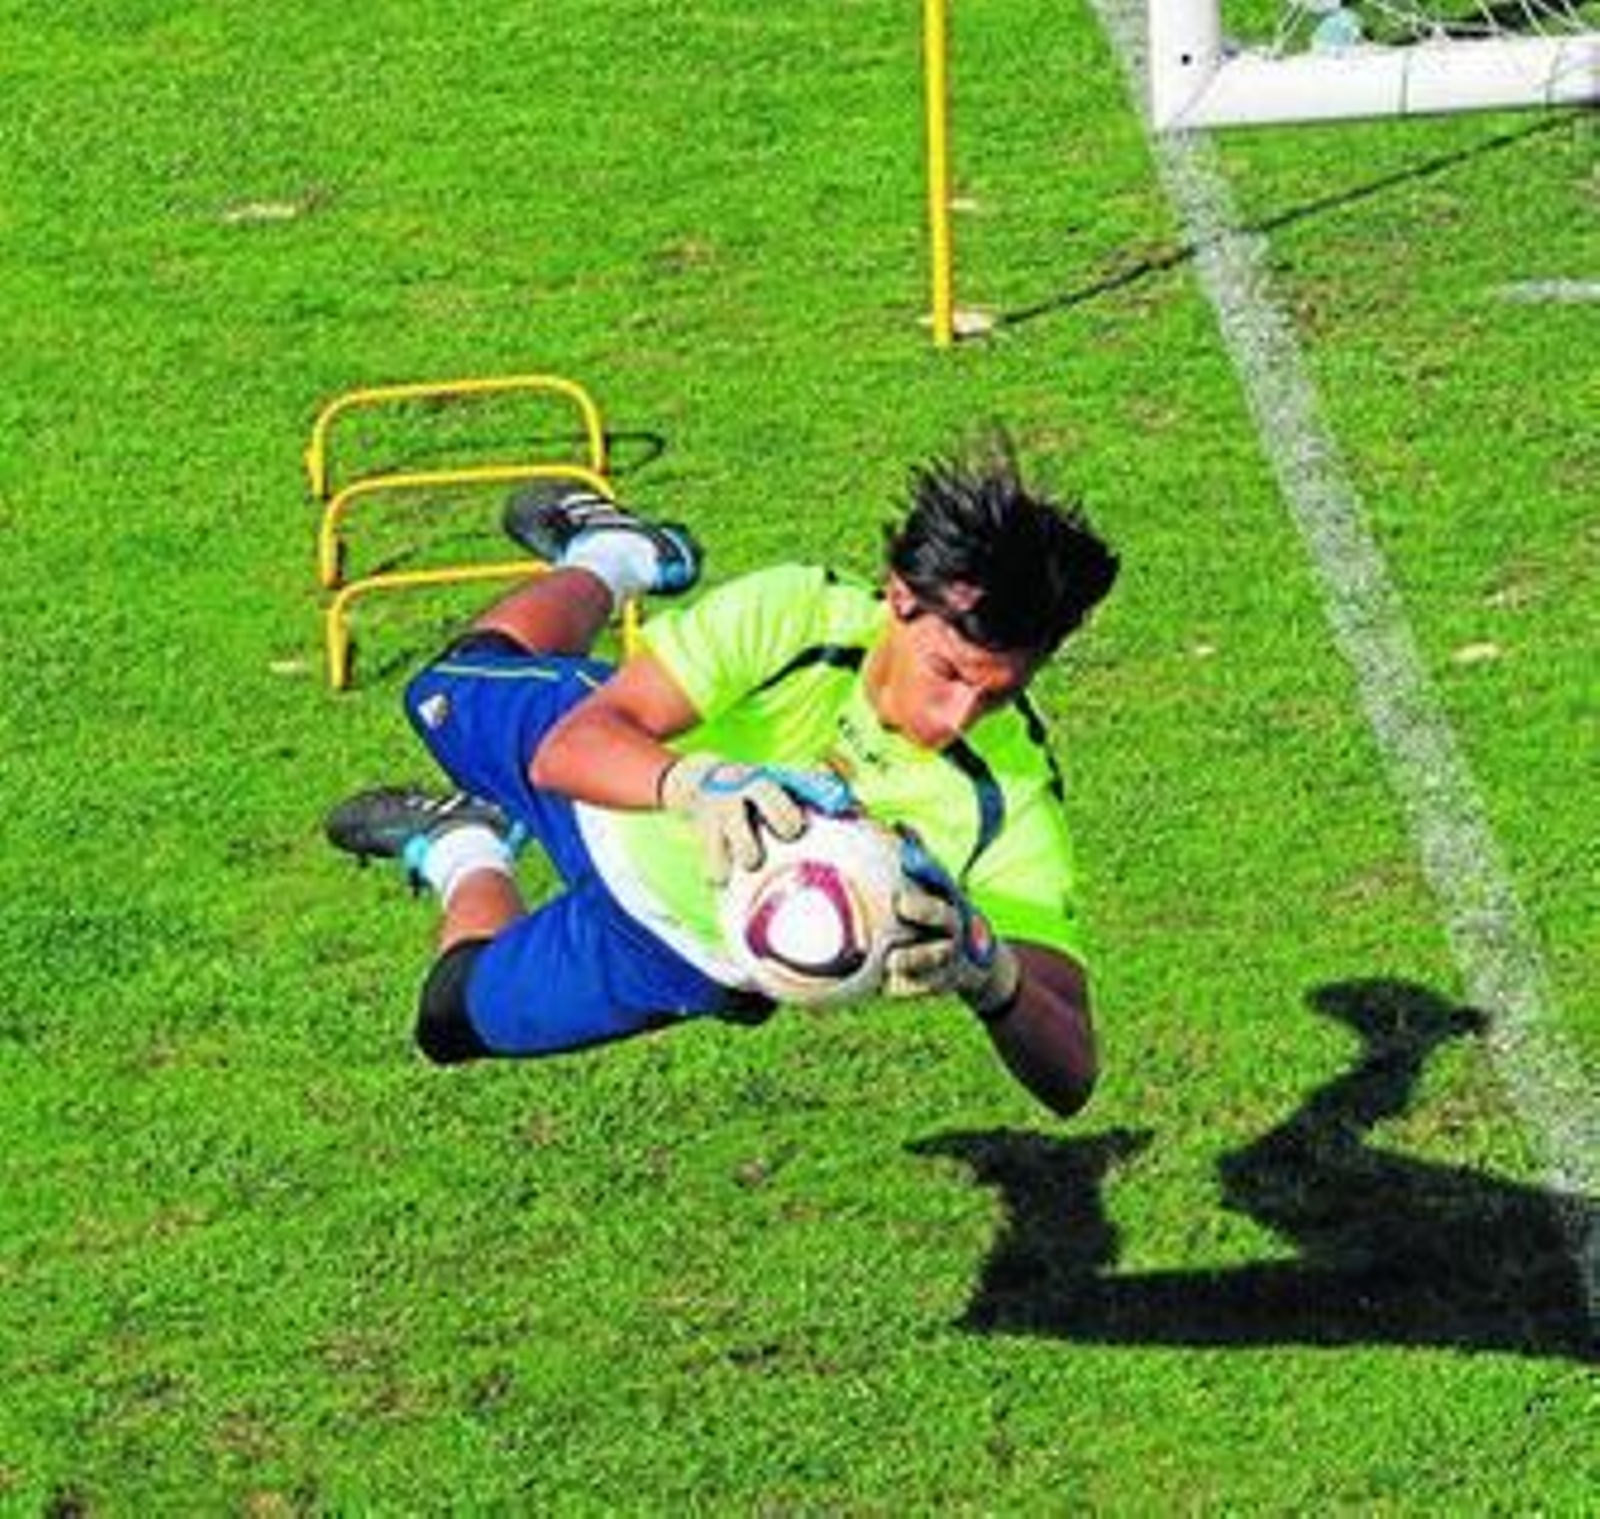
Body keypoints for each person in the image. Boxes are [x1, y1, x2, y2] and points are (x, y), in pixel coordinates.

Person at [326, 440, 1119, 1117]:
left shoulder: (1007, 794)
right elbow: (570, 749)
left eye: (1000, 691)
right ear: (899, 598)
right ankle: (614, 555)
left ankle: (465, 842)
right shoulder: (798, 614)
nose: (958, 715)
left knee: (447, 1017)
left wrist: (992, 970)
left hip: (675, 954)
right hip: (605, 793)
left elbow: (1072, 1070)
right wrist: (693, 786)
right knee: (445, 688)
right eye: (948, 672)